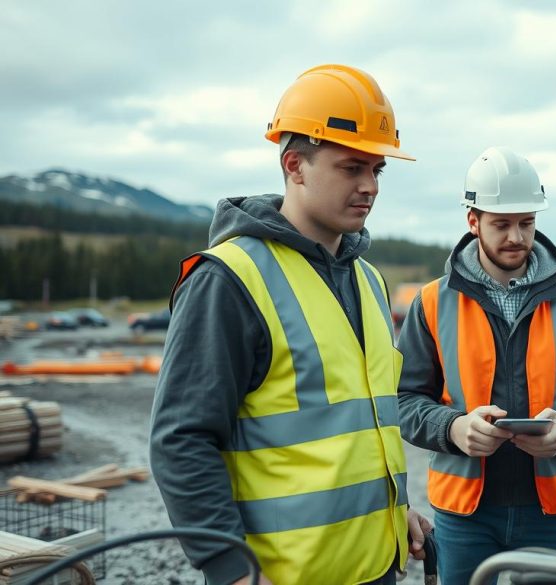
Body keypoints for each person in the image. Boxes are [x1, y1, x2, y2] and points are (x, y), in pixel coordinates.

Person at [149, 64, 431, 585]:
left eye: (377, 170)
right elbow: (181, 438)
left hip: (375, 566)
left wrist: (395, 513)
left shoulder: (368, 280)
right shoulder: (230, 280)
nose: (369, 186)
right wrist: (230, 568)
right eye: (351, 168)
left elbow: (359, 427)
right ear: (295, 164)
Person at [396, 147, 556, 585]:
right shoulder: (432, 302)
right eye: (501, 225)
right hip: (463, 514)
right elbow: (404, 400)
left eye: (526, 223)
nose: (517, 238)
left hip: (553, 512)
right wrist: (453, 428)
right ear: (473, 221)